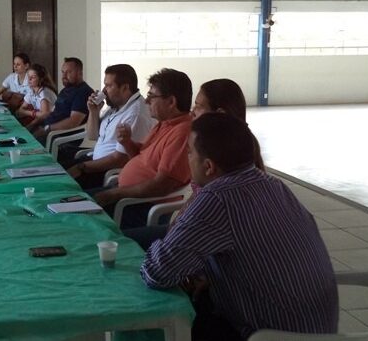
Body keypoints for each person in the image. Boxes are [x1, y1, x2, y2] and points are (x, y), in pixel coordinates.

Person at [141, 113, 338, 340]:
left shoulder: (217, 198)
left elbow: (158, 272)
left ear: (208, 166)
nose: (186, 158)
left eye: (189, 152)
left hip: (267, 335)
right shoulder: (273, 184)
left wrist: (185, 214)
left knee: (157, 321)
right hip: (317, 331)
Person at [125, 78, 265, 250]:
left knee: (124, 245)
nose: (192, 113)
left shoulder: (222, 154)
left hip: (207, 238)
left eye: (198, 107)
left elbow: (207, 213)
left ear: (219, 114)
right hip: (193, 227)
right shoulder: (219, 145)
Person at [91, 68, 192, 229]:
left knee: (80, 214)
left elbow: (162, 185)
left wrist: (116, 193)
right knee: (74, 200)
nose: (146, 101)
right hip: (125, 194)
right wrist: (127, 142)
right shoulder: (163, 124)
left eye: (152, 96)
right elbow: (140, 156)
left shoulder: (181, 133)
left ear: (171, 102)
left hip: (139, 205)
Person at [65, 64, 155, 189]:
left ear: (125, 88)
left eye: (108, 86)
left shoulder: (136, 114)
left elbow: (120, 159)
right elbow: (92, 136)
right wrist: (93, 111)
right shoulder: (115, 105)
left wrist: (82, 167)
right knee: (55, 169)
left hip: (106, 171)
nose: (104, 91)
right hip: (94, 161)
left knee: (62, 184)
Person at [32, 57, 93, 143]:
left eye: (69, 72)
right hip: (47, 129)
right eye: (63, 72)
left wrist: (47, 129)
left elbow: (73, 121)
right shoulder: (66, 90)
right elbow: (52, 112)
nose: (64, 76)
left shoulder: (83, 92)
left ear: (80, 73)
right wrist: (33, 124)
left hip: (59, 137)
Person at [16, 64, 57, 129]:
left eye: (33, 77)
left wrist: (29, 124)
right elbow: (20, 111)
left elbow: (44, 115)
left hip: (50, 124)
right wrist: (33, 113)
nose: (29, 79)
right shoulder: (32, 91)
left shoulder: (44, 93)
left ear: (41, 79)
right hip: (40, 121)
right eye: (28, 76)